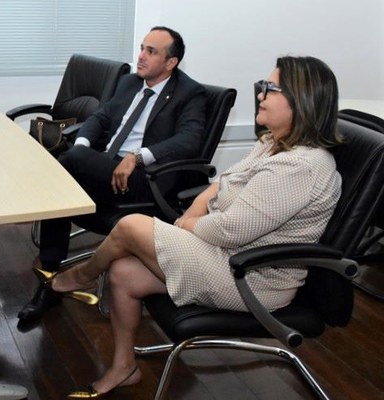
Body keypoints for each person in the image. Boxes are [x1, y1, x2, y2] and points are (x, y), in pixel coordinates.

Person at [47, 56, 343, 398]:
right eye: (264, 86)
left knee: (130, 225)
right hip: (224, 254)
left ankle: (81, 275)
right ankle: (123, 367)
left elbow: (231, 231)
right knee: (123, 272)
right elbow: (222, 183)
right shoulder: (272, 143)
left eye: (271, 89)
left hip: (254, 277)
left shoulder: (301, 167)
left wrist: (187, 224)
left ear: (302, 99)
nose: (261, 95)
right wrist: (196, 210)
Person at [17, 26, 207, 321]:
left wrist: (137, 157)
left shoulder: (190, 93)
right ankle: (52, 278)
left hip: (146, 181)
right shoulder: (130, 83)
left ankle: (50, 270)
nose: (141, 56)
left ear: (171, 62)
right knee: (68, 171)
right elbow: (100, 117)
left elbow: (189, 140)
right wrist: (82, 147)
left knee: (63, 173)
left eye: (151, 51)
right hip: (106, 170)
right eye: (142, 48)